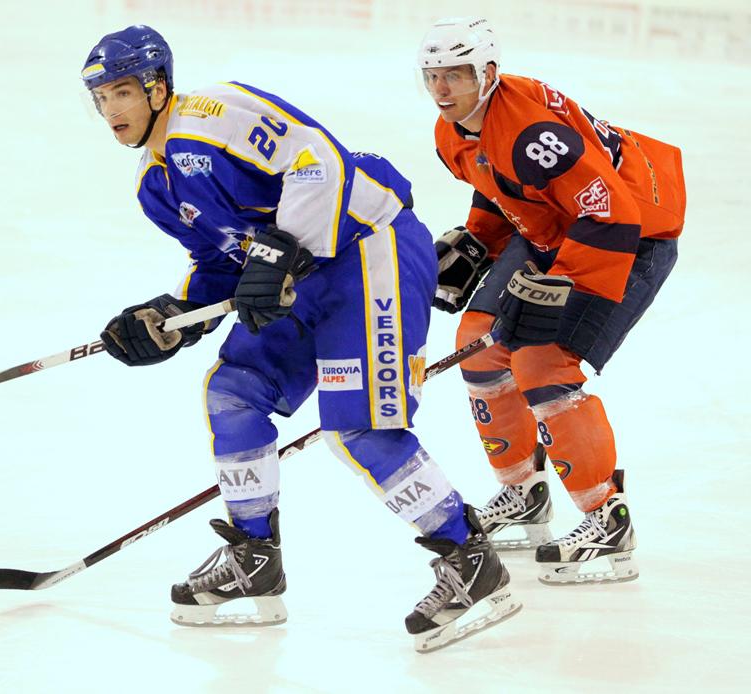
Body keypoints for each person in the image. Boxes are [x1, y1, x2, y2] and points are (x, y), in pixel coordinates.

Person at [82, 25, 520, 649]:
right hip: (302, 279)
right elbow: (220, 264)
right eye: (101, 98)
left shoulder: (210, 113)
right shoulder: (155, 186)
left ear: (157, 88)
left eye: (122, 92)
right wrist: (174, 317)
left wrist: (276, 253)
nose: (111, 110)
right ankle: (255, 557)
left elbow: (317, 158)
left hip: (369, 250)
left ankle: (470, 560)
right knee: (233, 390)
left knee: (361, 427)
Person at [417, 17, 685, 584]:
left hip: (629, 237)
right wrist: (479, 240)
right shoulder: (454, 130)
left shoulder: (530, 133)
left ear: (487, 73)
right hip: (556, 226)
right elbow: (499, 183)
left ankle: (607, 518)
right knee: (478, 345)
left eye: (456, 75)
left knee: (543, 363)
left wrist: (554, 285)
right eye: (433, 75)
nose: (442, 88)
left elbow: (611, 211)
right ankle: (524, 493)